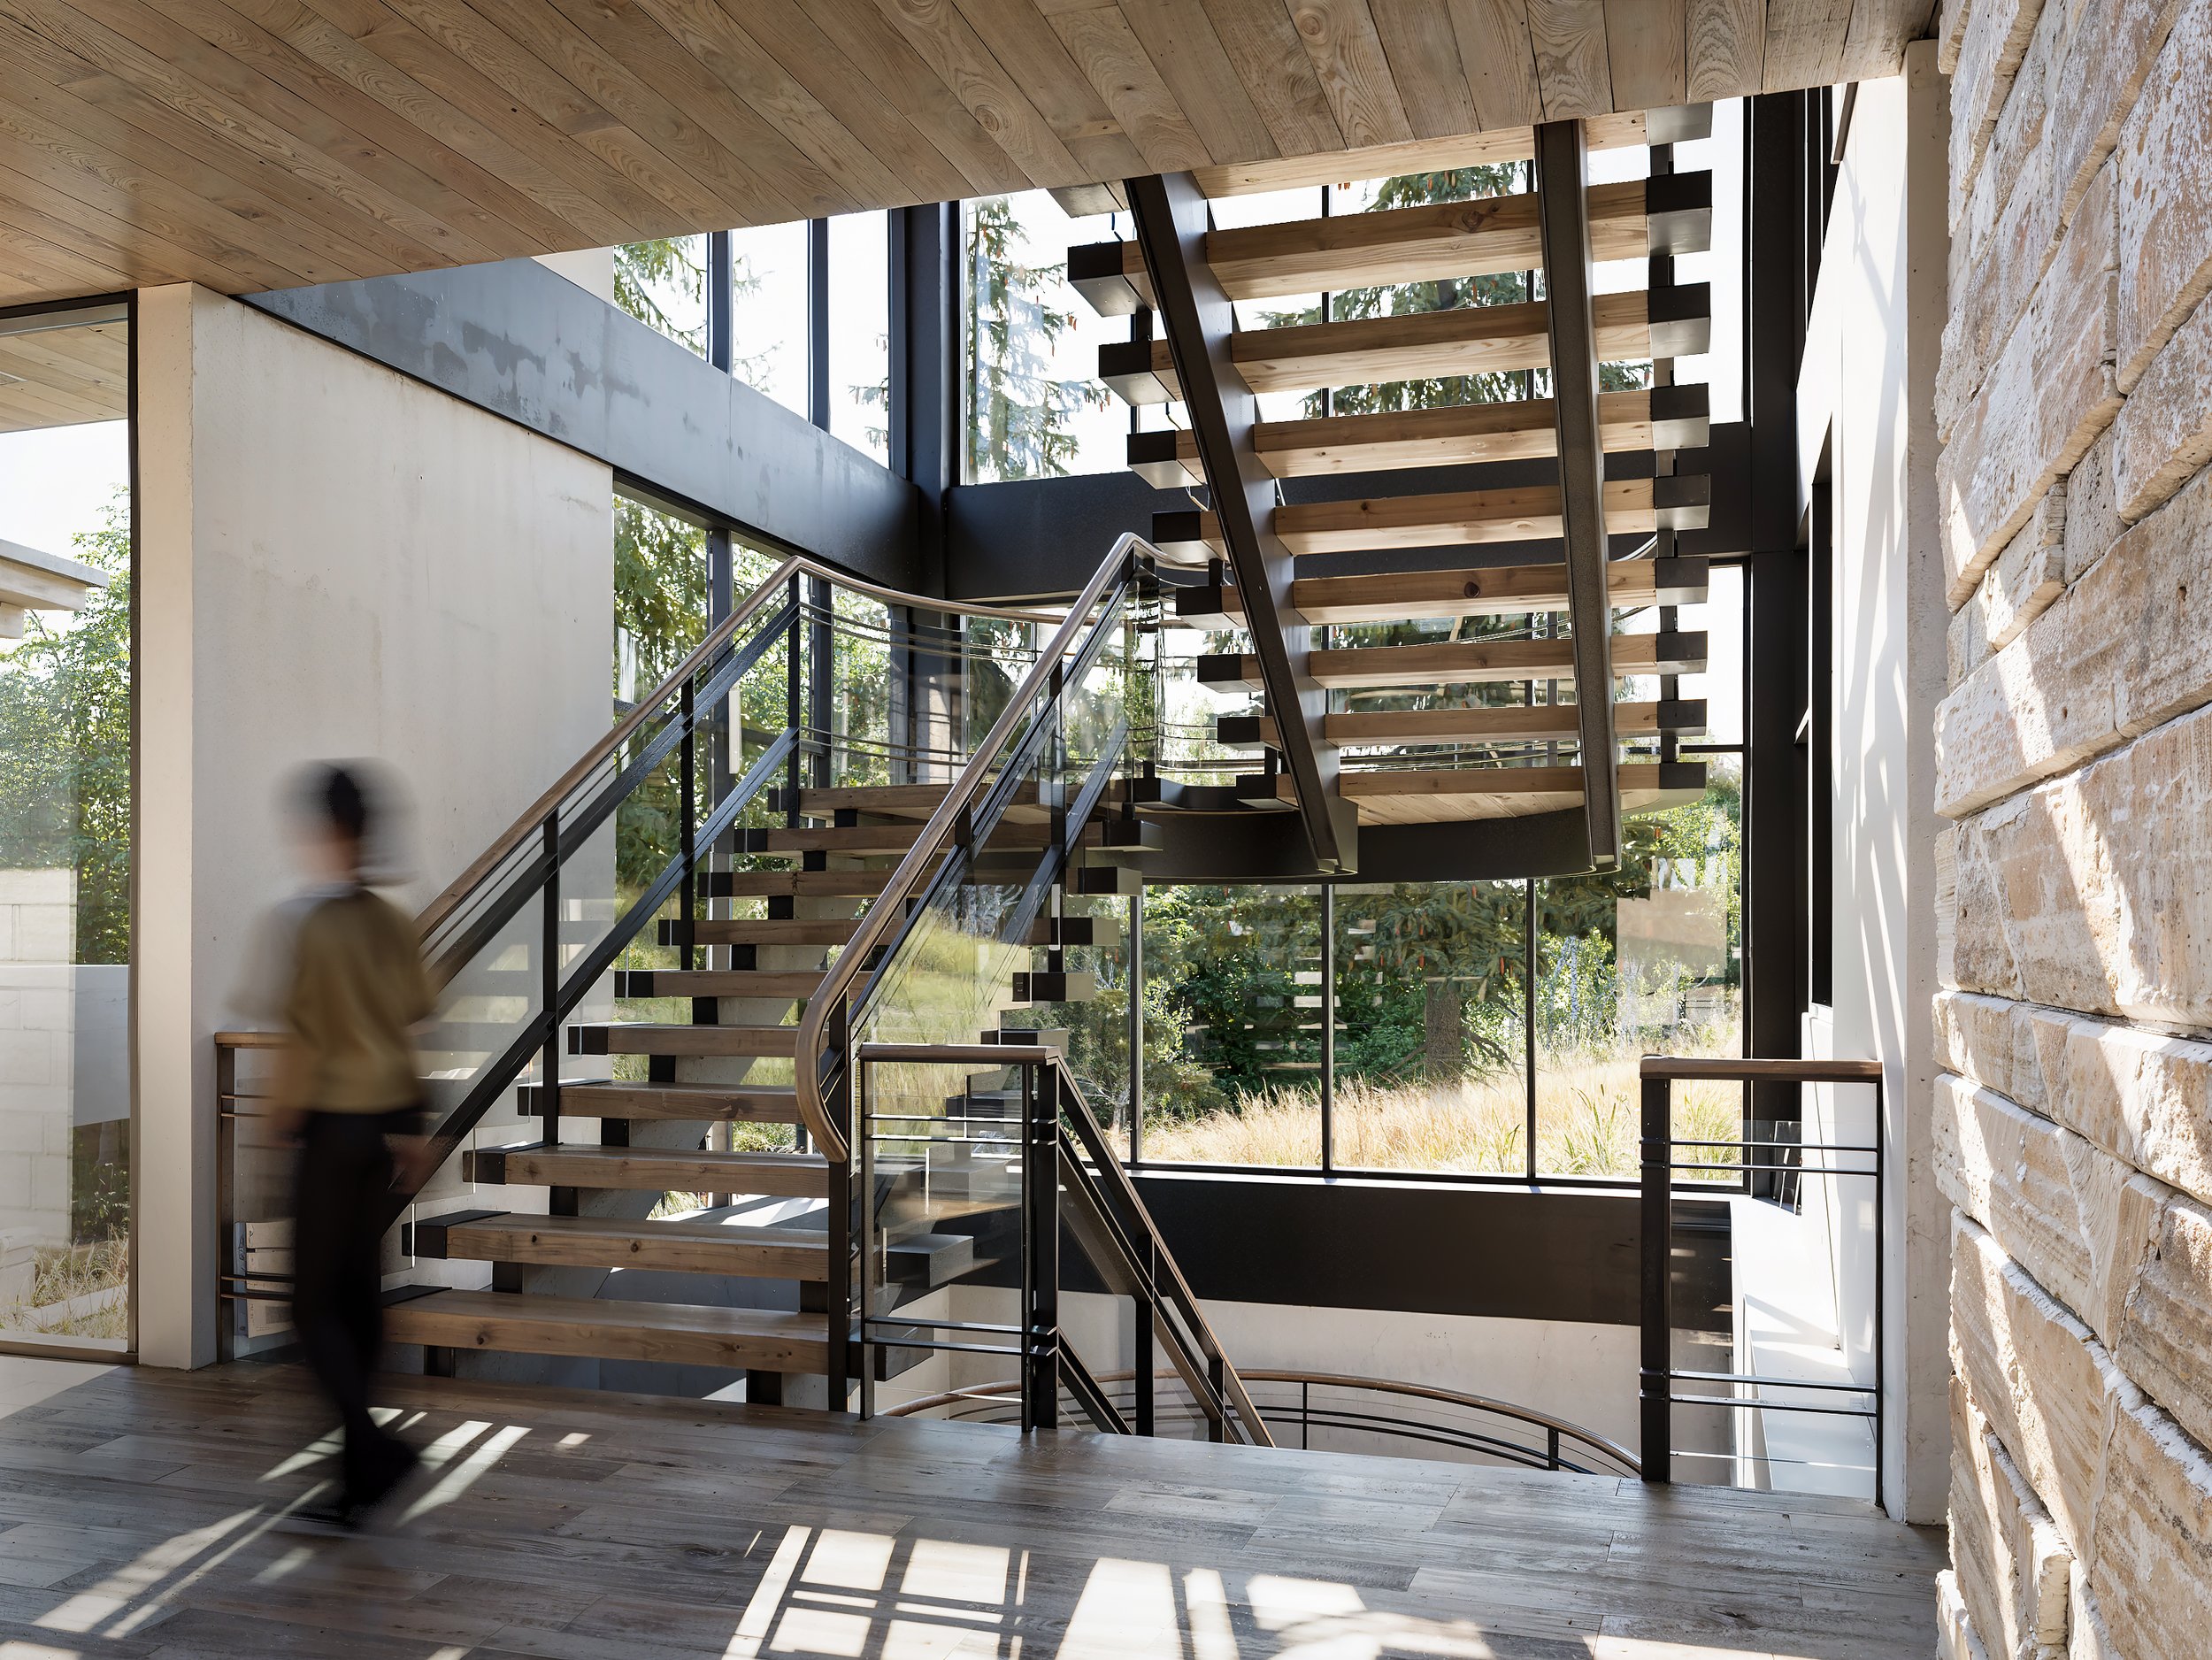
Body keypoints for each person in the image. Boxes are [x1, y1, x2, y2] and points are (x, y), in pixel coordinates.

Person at [251, 764, 435, 1530]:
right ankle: (362, 1475)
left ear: (327, 831)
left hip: (331, 1128)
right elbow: (413, 1022)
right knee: (360, 1298)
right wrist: (417, 1130)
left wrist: (277, 1120)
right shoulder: (390, 922)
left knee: (310, 1306)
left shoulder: (305, 923)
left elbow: (299, 1035)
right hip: (392, 1125)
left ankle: (372, 1449)